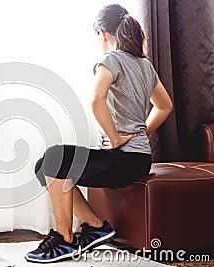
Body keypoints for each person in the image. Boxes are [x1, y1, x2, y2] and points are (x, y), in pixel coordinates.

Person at [25, 3, 173, 263]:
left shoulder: (111, 59)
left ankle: (65, 239)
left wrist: (115, 138)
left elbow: (96, 99)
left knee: (53, 158)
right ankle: (95, 226)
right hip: (138, 160)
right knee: (44, 166)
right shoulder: (144, 64)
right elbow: (165, 106)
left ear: (102, 34)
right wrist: (141, 134)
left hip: (123, 158)